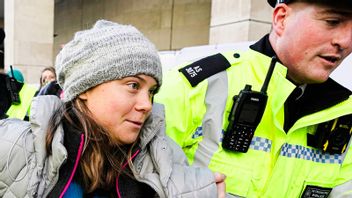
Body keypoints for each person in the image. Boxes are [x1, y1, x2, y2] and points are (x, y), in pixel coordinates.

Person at [0, 20, 226, 197]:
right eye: (133, 85)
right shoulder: (12, 147)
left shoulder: (166, 159)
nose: (147, 104)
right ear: (85, 88)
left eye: (151, 91)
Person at [155, 0, 352, 197]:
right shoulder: (192, 88)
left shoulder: (346, 114)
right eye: (332, 21)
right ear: (281, 19)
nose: (345, 42)